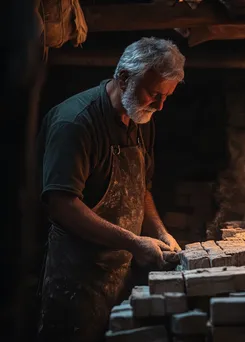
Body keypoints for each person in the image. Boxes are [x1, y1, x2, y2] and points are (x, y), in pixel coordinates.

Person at [37, 37, 185, 342]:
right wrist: (133, 241)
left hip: (120, 271)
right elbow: (61, 204)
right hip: (76, 278)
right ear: (123, 77)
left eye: (166, 97)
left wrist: (158, 233)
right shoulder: (75, 123)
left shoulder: (141, 118)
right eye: (154, 94)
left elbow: (140, 189)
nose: (159, 106)